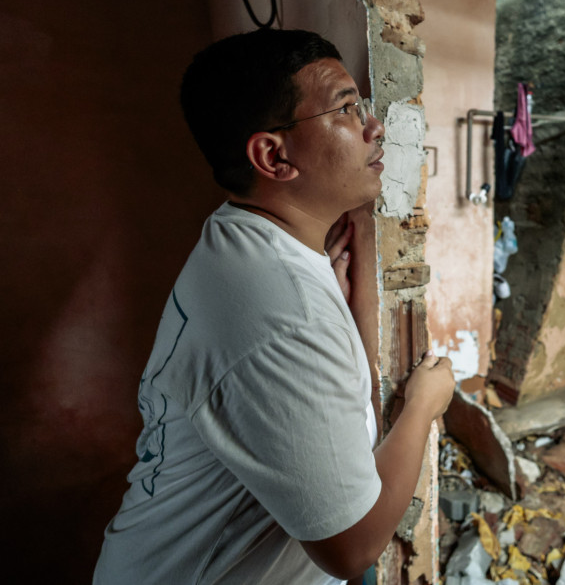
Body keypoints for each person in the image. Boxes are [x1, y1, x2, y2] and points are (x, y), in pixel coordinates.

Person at [93, 29, 455, 585]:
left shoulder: (249, 240)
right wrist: (422, 411)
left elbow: (335, 392)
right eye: (347, 108)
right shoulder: (280, 311)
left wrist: (343, 285)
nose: (374, 128)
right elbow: (350, 546)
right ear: (273, 155)